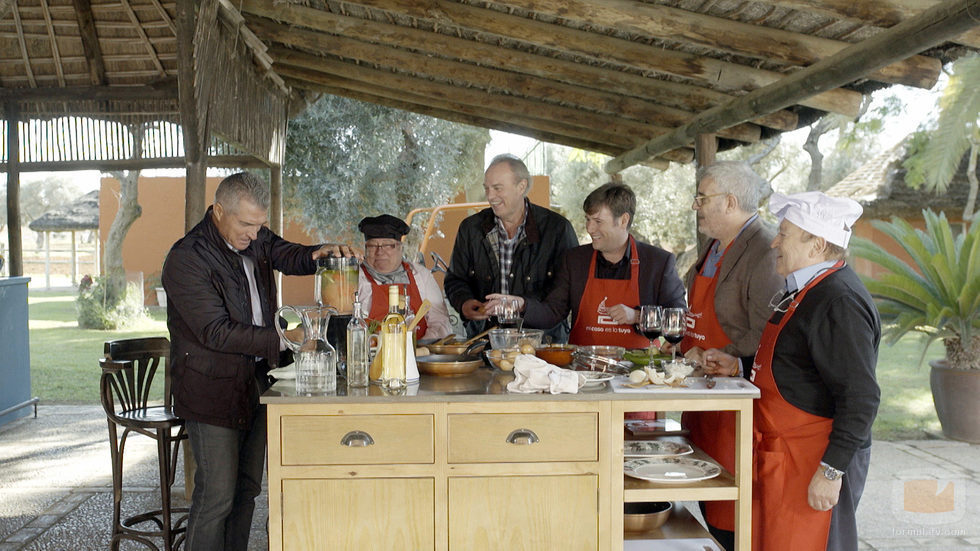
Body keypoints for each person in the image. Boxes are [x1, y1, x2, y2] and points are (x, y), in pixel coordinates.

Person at [162, 172, 352, 551]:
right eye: (246, 224)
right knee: (216, 496)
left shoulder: (255, 237)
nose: (254, 233)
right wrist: (288, 336)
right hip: (209, 389)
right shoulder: (186, 259)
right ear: (218, 211)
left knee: (247, 490)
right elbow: (216, 332)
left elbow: (287, 253)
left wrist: (319, 253)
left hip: (258, 381)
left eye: (260, 225)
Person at [702, 191, 880, 551]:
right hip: (783, 458)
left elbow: (861, 397)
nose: (774, 243)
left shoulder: (838, 300)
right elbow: (798, 362)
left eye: (783, 234)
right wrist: (739, 365)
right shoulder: (802, 290)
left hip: (813, 460)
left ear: (816, 245)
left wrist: (830, 472)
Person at [677, 161, 783, 550]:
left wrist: (728, 358)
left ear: (731, 201)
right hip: (703, 398)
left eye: (703, 198)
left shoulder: (764, 250)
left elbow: (769, 332)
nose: (696, 206)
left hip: (735, 405)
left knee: (732, 514)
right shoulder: (714, 246)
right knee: (707, 496)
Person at [490, 182, 685, 347]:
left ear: (623, 220)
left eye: (598, 221)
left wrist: (636, 316)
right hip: (583, 370)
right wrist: (521, 304)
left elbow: (679, 320)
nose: (590, 228)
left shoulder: (658, 262)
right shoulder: (575, 260)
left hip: (638, 373)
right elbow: (553, 312)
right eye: (588, 219)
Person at [444, 153, 578, 340]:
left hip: (543, 347)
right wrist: (464, 303)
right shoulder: (470, 228)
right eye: (487, 188)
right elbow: (455, 279)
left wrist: (523, 306)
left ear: (521, 186)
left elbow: (564, 297)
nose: (490, 196)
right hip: (485, 344)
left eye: (498, 188)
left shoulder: (558, 229)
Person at [356, 214, 452, 340]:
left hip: (419, 355)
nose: (380, 252)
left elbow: (440, 321)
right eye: (373, 246)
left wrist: (423, 347)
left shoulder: (421, 275)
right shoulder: (356, 278)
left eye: (388, 245)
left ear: (400, 248)